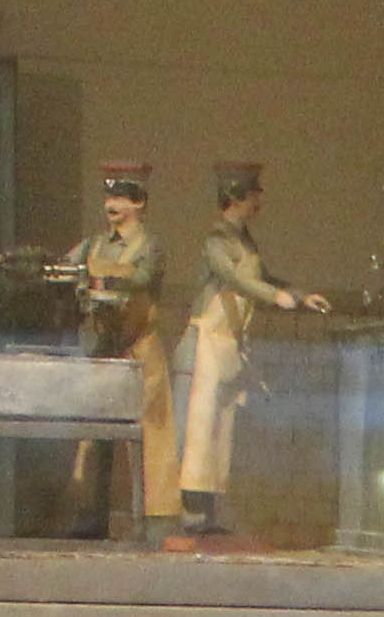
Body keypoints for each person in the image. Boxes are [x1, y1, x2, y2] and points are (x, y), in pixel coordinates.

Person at [170, 160, 332, 536]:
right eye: (253, 194)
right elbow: (234, 279)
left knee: (222, 431)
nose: (259, 201)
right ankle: (192, 513)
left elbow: (262, 277)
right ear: (236, 197)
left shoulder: (245, 242)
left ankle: (212, 511)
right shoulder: (216, 241)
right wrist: (275, 297)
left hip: (229, 346)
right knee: (198, 430)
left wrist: (299, 295)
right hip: (206, 345)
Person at [70, 163, 165, 537]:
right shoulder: (94, 244)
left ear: (138, 203)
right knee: (95, 439)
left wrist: (104, 273)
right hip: (103, 349)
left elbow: (143, 278)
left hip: (137, 350)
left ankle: (152, 522)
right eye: (109, 197)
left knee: (147, 439)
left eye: (121, 198)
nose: (111, 205)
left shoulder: (148, 246)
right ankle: (92, 517)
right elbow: (68, 265)